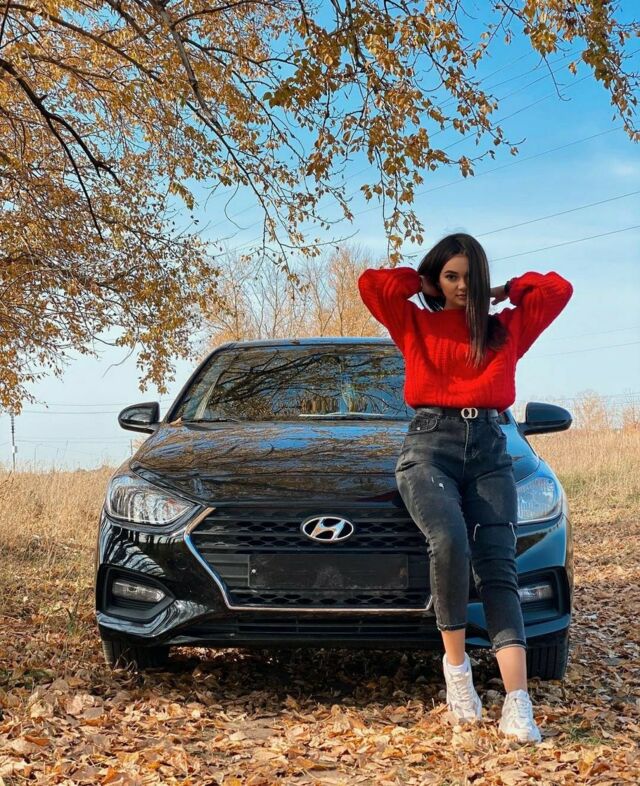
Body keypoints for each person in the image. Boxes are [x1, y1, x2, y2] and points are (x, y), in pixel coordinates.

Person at [357, 232, 573, 744]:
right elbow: (373, 285)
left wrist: (502, 291)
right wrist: (422, 282)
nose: (460, 286)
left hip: (491, 452)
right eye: (450, 277)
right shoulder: (415, 324)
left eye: (468, 278)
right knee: (450, 540)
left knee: (499, 564)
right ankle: (458, 675)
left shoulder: (504, 330)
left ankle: (518, 703)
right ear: (437, 279)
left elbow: (557, 290)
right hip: (429, 449)